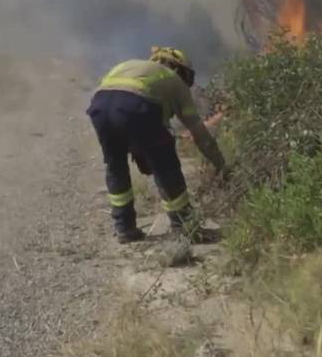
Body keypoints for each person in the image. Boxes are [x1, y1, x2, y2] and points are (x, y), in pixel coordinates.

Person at [86, 46, 226, 243]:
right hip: (136, 107)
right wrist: (220, 163)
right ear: (179, 69)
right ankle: (184, 225)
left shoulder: (129, 65)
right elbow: (198, 131)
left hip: (100, 109)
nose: (186, 83)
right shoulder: (173, 79)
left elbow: (116, 102)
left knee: (116, 166)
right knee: (166, 165)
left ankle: (124, 228)